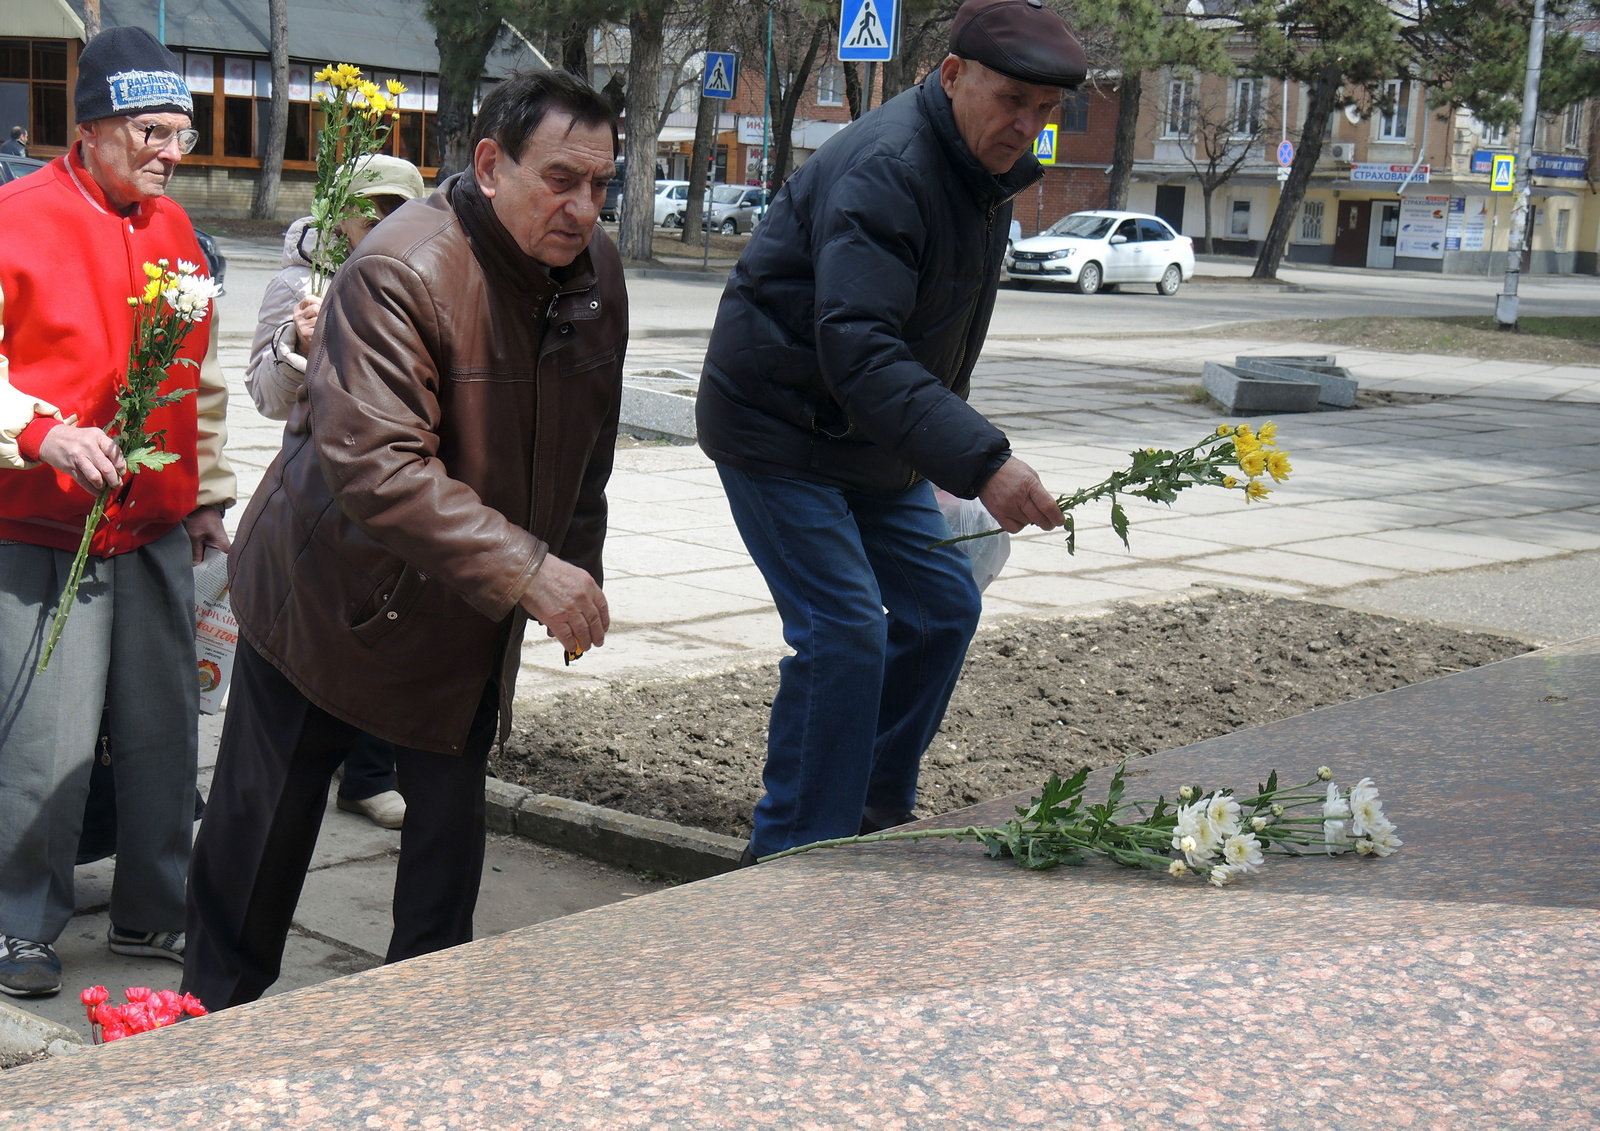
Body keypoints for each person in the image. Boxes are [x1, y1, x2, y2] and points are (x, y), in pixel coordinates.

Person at [183, 70, 626, 1010]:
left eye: (601, 184)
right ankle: (203, 1030)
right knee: (260, 844)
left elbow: (588, 445)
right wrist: (532, 571)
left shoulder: (597, 271)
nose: (584, 209)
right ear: (491, 164)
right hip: (327, 595)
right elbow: (377, 467)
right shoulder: (401, 266)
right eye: (561, 180)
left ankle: (420, 1040)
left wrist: (573, 566)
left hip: (467, 603)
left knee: (444, 860)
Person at [696, 0, 1087, 861]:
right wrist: (982, 460)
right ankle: (793, 854)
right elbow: (860, 347)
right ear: (952, 76)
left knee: (942, 607)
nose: (1026, 125)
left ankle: (868, 812)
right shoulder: (890, 166)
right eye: (1011, 100)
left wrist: (942, 452)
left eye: (1044, 110)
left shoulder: (979, 173)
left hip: (872, 440)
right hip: (780, 428)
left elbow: (938, 333)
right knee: (844, 629)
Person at [0, 26, 233, 997]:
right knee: (43, 738)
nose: (171, 153)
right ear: (89, 128)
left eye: (182, 133)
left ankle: (153, 906)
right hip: (44, 527)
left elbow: (196, 378)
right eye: (151, 132)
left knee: (162, 730)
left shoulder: (175, 230)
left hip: (157, 527)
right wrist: (38, 432)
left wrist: (208, 494)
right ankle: (19, 921)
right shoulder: (15, 219)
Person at [245, 153, 427, 829]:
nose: (376, 222)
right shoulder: (301, 282)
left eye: (393, 210)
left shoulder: (424, 272)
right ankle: (292, 776)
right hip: (318, 486)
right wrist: (299, 344)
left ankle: (370, 774)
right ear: (337, 213)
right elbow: (265, 395)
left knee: (390, 625)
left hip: (396, 478)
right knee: (314, 630)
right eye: (364, 209)